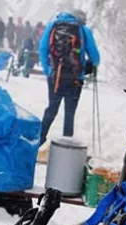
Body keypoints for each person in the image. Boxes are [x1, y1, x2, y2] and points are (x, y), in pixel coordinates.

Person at [38, 11, 98, 142]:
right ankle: (66, 145)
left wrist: (48, 70)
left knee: (52, 108)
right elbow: (95, 57)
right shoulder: (83, 30)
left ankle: (40, 139)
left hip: (56, 76)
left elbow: (42, 49)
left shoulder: (53, 25)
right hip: (75, 78)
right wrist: (88, 65)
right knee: (69, 113)